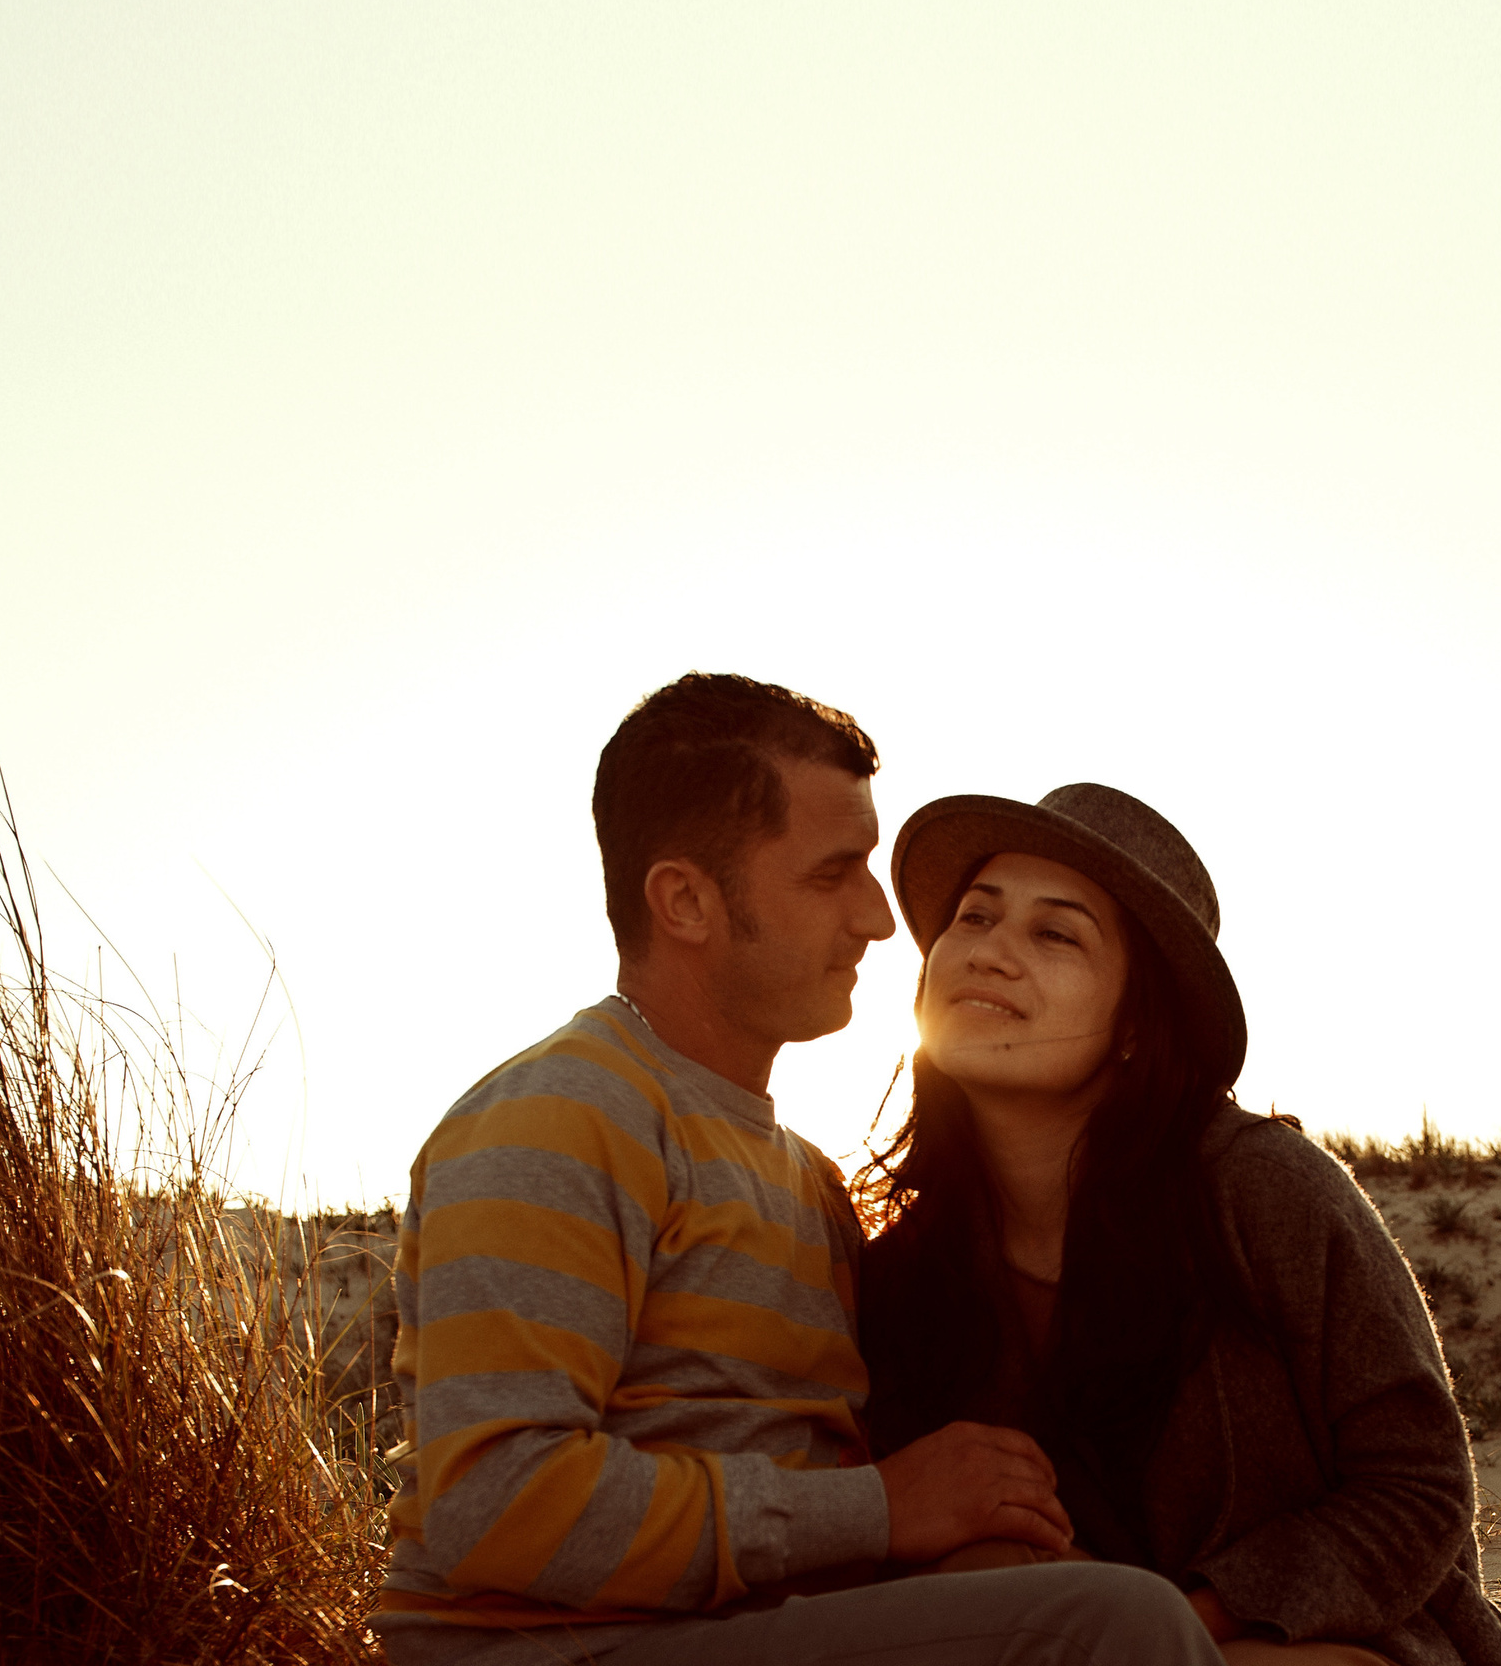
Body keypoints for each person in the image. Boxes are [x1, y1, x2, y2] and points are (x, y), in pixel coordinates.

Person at [377, 675, 1218, 1666]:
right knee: (1113, 1629)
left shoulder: (808, 1179)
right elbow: (498, 1503)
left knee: (1099, 1597)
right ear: (686, 899)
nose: (877, 915)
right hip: (567, 1648)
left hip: (757, 1631)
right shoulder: (560, 1116)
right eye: (834, 873)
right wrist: (878, 1506)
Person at [857, 784, 1501, 1666]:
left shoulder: (1262, 1190)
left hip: (1322, 1647)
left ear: (1137, 1022)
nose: (990, 953)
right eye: (974, 919)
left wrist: (1177, 1618)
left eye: (1055, 933)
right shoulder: (905, 1270)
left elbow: (1418, 1488)